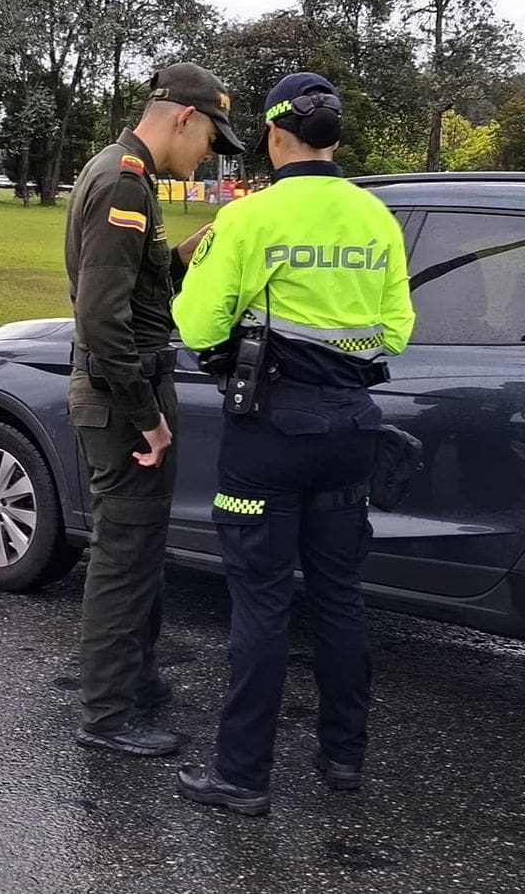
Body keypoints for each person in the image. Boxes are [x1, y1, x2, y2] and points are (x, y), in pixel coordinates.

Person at [171, 72, 416, 816]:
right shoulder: (376, 218)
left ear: (276, 136)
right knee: (340, 599)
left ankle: (243, 775)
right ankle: (344, 757)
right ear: (333, 138)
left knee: (262, 604)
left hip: (271, 433)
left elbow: (200, 328)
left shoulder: (250, 219)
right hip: (350, 431)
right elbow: (396, 333)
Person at [66, 63, 244, 758]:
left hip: (122, 388)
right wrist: (148, 416)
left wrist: (192, 249)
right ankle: (109, 713)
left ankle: (134, 684)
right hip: (121, 396)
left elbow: (140, 280)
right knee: (123, 555)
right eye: (209, 140)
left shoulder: (122, 171)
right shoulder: (123, 183)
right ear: (182, 118)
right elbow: (104, 320)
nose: (207, 155)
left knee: (136, 551)